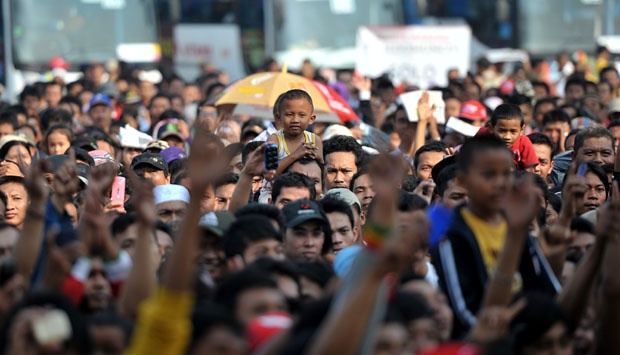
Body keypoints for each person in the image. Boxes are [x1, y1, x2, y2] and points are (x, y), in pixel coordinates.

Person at [431, 135, 560, 338]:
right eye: (489, 175)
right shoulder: (450, 232)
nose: (500, 183)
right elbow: (465, 312)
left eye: (506, 174)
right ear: (464, 181)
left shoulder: (515, 222)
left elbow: (547, 289)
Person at [267, 89, 323, 175]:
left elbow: (321, 172)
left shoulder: (315, 140)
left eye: (302, 115)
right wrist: (296, 155)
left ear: (311, 119)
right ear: (278, 117)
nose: (295, 120)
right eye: (289, 114)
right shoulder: (274, 140)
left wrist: (318, 159)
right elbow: (268, 174)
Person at [477, 104, 539, 171]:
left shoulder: (524, 143)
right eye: (502, 131)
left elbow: (529, 171)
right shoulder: (483, 136)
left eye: (513, 131)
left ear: (522, 130)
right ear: (491, 128)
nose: (507, 137)